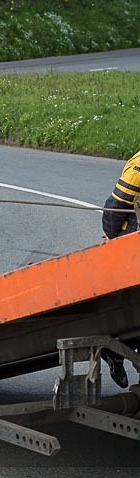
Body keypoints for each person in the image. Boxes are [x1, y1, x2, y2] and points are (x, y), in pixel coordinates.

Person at [100, 149, 140, 388]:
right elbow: (116, 205)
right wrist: (112, 240)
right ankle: (115, 350)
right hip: (132, 244)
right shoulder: (139, 165)